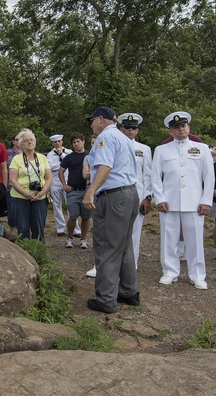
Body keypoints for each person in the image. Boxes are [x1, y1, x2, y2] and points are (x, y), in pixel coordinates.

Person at [84, 106, 140, 314]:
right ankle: (129, 292)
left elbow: (105, 167)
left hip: (113, 196)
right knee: (124, 246)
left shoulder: (105, 138)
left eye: (92, 120)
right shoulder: (123, 137)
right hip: (129, 194)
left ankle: (106, 300)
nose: (91, 125)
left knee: (107, 247)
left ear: (100, 119)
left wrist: (90, 191)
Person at [151, 112, 214, 290]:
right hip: (169, 202)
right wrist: (159, 198)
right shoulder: (161, 150)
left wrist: (206, 200)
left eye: (183, 126)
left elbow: (209, 177)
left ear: (189, 128)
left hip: (194, 202)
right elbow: (156, 177)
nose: (181, 129)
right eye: (177, 127)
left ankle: (197, 275)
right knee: (168, 239)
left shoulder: (201, 149)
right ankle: (170, 271)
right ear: (170, 131)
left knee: (195, 241)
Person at [117, 112, 152, 269]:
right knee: (116, 230)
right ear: (121, 128)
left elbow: (148, 174)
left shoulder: (144, 149)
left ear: (137, 130)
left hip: (137, 195)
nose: (130, 130)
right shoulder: (115, 146)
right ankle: (115, 264)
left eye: (133, 127)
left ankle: (132, 265)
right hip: (117, 194)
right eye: (127, 127)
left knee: (135, 232)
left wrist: (147, 197)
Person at [9, 129, 53, 241]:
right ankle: (24, 253)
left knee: (38, 227)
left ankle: (39, 254)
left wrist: (42, 192)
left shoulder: (42, 158)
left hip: (40, 197)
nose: (29, 142)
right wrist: (26, 193)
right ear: (21, 144)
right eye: (26, 140)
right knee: (23, 228)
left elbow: (49, 178)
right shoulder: (16, 159)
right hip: (20, 197)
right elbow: (13, 180)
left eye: (31, 140)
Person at [59, 132, 91, 249]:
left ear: (83, 141)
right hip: (73, 190)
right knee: (73, 215)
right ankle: (69, 238)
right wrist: (64, 185)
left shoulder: (90, 156)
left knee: (86, 217)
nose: (76, 144)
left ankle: (83, 239)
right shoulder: (69, 157)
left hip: (87, 190)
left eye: (78, 141)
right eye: (74, 142)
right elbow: (60, 171)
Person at [46, 134, 73, 236]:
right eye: (55, 142)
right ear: (52, 143)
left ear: (62, 141)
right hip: (55, 182)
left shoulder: (69, 152)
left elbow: (70, 163)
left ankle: (74, 228)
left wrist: (61, 155)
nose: (57, 143)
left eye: (59, 141)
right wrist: (63, 165)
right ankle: (61, 228)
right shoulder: (50, 154)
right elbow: (50, 167)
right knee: (57, 205)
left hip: (67, 180)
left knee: (70, 204)